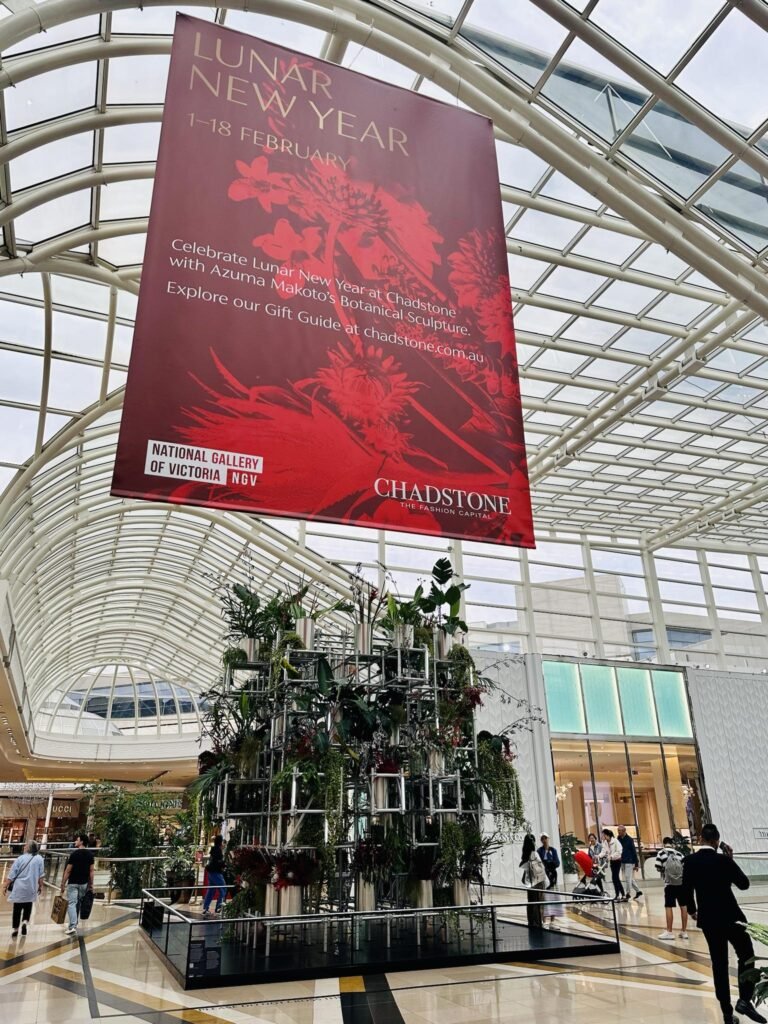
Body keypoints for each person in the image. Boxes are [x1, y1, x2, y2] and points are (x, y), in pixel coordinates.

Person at [683, 823, 766, 1024]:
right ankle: (744, 999)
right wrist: (730, 860)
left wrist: (693, 911)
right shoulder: (723, 860)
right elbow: (744, 884)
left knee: (719, 963)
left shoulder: (690, 861)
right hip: (732, 916)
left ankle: (727, 1013)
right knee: (746, 955)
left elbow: (686, 890)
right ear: (717, 841)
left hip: (709, 920)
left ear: (701, 839)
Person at [3, 840, 44, 938]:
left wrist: (5, 886)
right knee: (28, 906)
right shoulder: (39, 859)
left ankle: (16, 929)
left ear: (29, 848)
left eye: (25, 845)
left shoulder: (20, 858)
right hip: (31, 887)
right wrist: (40, 886)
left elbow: (12, 874)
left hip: (19, 888)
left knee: (17, 909)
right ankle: (25, 922)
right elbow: (41, 875)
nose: (24, 847)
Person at [60, 832, 94, 936]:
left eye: (77, 840)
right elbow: (91, 871)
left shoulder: (74, 854)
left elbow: (68, 870)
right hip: (83, 883)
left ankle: (72, 926)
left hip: (73, 883)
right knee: (77, 902)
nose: (75, 841)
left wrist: (63, 883)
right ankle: (75, 923)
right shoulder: (90, 855)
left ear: (81, 842)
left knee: (72, 903)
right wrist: (91, 884)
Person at [655, 836, 688, 940]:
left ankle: (669, 932)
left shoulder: (661, 853)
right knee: (683, 906)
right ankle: (684, 931)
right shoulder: (679, 854)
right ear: (672, 844)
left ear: (664, 843)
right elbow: (684, 867)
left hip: (669, 884)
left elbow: (658, 867)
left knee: (668, 906)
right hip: (681, 884)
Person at [520, 833, 547, 929]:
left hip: (529, 882)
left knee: (531, 901)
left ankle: (531, 921)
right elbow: (541, 868)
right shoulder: (534, 854)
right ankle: (538, 922)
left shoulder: (524, 854)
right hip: (538, 881)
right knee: (539, 902)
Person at [537, 833, 563, 926]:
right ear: (541, 840)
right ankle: (544, 920)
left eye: (546, 838)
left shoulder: (553, 850)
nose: (544, 840)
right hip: (544, 876)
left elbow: (557, 863)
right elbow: (539, 863)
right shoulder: (539, 851)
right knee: (544, 899)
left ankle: (552, 920)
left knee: (554, 898)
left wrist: (550, 863)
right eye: (542, 839)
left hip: (553, 876)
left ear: (548, 839)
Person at [202, 835, 227, 917]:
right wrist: (224, 864)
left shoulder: (213, 849)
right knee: (223, 889)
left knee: (211, 891)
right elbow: (218, 861)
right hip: (216, 872)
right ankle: (219, 908)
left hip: (211, 872)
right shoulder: (218, 850)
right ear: (220, 842)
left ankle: (205, 908)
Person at [617, 825, 643, 901]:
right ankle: (638, 891)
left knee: (627, 877)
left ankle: (627, 894)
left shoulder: (629, 839)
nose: (618, 832)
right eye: (618, 830)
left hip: (629, 861)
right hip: (622, 861)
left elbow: (634, 851)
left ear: (624, 831)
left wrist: (636, 864)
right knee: (629, 878)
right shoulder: (618, 839)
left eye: (620, 831)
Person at [602, 828, 625, 901]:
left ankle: (618, 895)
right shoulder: (605, 843)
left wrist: (611, 856)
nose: (603, 836)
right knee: (616, 878)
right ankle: (622, 895)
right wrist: (598, 856)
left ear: (608, 835)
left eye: (604, 835)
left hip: (617, 861)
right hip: (612, 861)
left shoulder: (615, 841)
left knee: (615, 878)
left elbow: (619, 851)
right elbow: (603, 851)